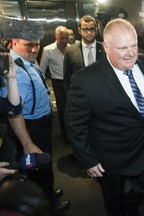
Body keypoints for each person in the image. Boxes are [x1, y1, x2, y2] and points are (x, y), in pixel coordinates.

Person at [65, 18, 144, 216]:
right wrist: (88, 160)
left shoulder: (143, 62)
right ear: (106, 46)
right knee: (114, 202)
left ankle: (131, 203)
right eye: (122, 48)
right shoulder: (85, 80)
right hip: (110, 158)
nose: (131, 53)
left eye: (134, 45)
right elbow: (75, 124)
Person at [1, 18, 69, 211]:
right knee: (34, 167)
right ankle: (43, 204)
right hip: (30, 129)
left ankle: (46, 193)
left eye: (37, 45)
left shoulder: (27, 60)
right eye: (28, 45)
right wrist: (27, 142)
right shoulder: (10, 68)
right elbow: (14, 112)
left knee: (43, 164)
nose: (34, 50)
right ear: (14, 42)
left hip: (42, 125)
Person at [40, 26, 69, 144]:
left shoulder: (73, 47)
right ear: (56, 37)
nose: (64, 41)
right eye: (61, 38)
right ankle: (65, 134)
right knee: (62, 109)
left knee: (75, 108)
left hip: (72, 81)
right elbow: (42, 70)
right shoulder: (48, 50)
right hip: (58, 83)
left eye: (66, 38)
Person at [63, 15, 103, 92]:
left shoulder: (105, 49)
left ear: (96, 30)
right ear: (79, 30)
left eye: (92, 29)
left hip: (102, 96)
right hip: (80, 97)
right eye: (85, 29)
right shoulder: (70, 51)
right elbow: (67, 80)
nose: (89, 32)